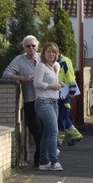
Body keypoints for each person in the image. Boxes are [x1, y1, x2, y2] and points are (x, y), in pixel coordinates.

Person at [3, 35, 43, 165]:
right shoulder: (19, 60)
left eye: (33, 45)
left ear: (37, 46)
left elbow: (56, 68)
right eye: (28, 46)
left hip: (45, 99)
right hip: (30, 99)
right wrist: (23, 78)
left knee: (46, 129)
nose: (31, 48)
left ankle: (41, 158)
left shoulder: (43, 58)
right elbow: (6, 74)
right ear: (24, 48)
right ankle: (40, 156)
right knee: (36, 130)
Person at [32, 42, 65, 171]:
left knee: (47, 133)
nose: (51, 54)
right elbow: (37, 83)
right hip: (43, 102)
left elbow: (56, 68)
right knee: (53, 132)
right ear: (43, 54)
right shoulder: (41, 66)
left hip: (53, 102)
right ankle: (54, 161)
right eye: (49, 52)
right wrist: (53, 86)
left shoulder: (51, 67)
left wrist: (58, 84)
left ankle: (44, 161)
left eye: (54, 52)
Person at [56, 51, 83, 147]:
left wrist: (72, 91)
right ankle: (76, 135)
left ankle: (59, 139)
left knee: (61, 117)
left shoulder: (65, 61)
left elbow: (70, 76)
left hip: (65, 93)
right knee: (62, 116)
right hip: (59, 93)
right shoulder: (54, 61)